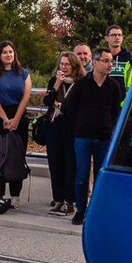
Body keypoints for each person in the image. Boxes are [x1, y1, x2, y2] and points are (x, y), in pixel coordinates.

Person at [65, 47, 124, 226]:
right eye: (106, 61)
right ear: (96, 62)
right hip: (83, 136)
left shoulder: (113, 86)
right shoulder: (82, 84)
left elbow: (116, 111)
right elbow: (69, 109)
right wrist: (78, 128)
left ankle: (97, 210)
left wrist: (112, 130)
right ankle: (80, 210)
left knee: (100, 176)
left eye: (111, 61)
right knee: (82, 175)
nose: (110, 64)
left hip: (104, 137)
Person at [0, 40, 33, 207]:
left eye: (10, 52)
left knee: (17, 156)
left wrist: (16, 119)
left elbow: (26, 97)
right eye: (4, 52)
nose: (8, 55)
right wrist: (5, 118)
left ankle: (15, 195)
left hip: (19, 116)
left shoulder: (23, 73)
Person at [43, 51, 82, 215]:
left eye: (67, 64)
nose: (64, 67)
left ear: (74, 66)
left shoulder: (80, 83)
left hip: (72, 128)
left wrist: (64, 106)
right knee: (55, 164)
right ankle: (58, 199)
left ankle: (69, 201)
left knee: (70, 165)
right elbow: (46, 101)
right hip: (55, 127)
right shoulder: (55, 81)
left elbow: (81, 105)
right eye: (62, 63)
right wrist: (57, 84)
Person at [106, 25, 131, 96]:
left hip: (124, 101)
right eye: (113, 35)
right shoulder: (102, 57)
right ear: (106, 38)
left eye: (119, 35)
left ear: (122, 38)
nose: (117, 37)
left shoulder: (129, 57)